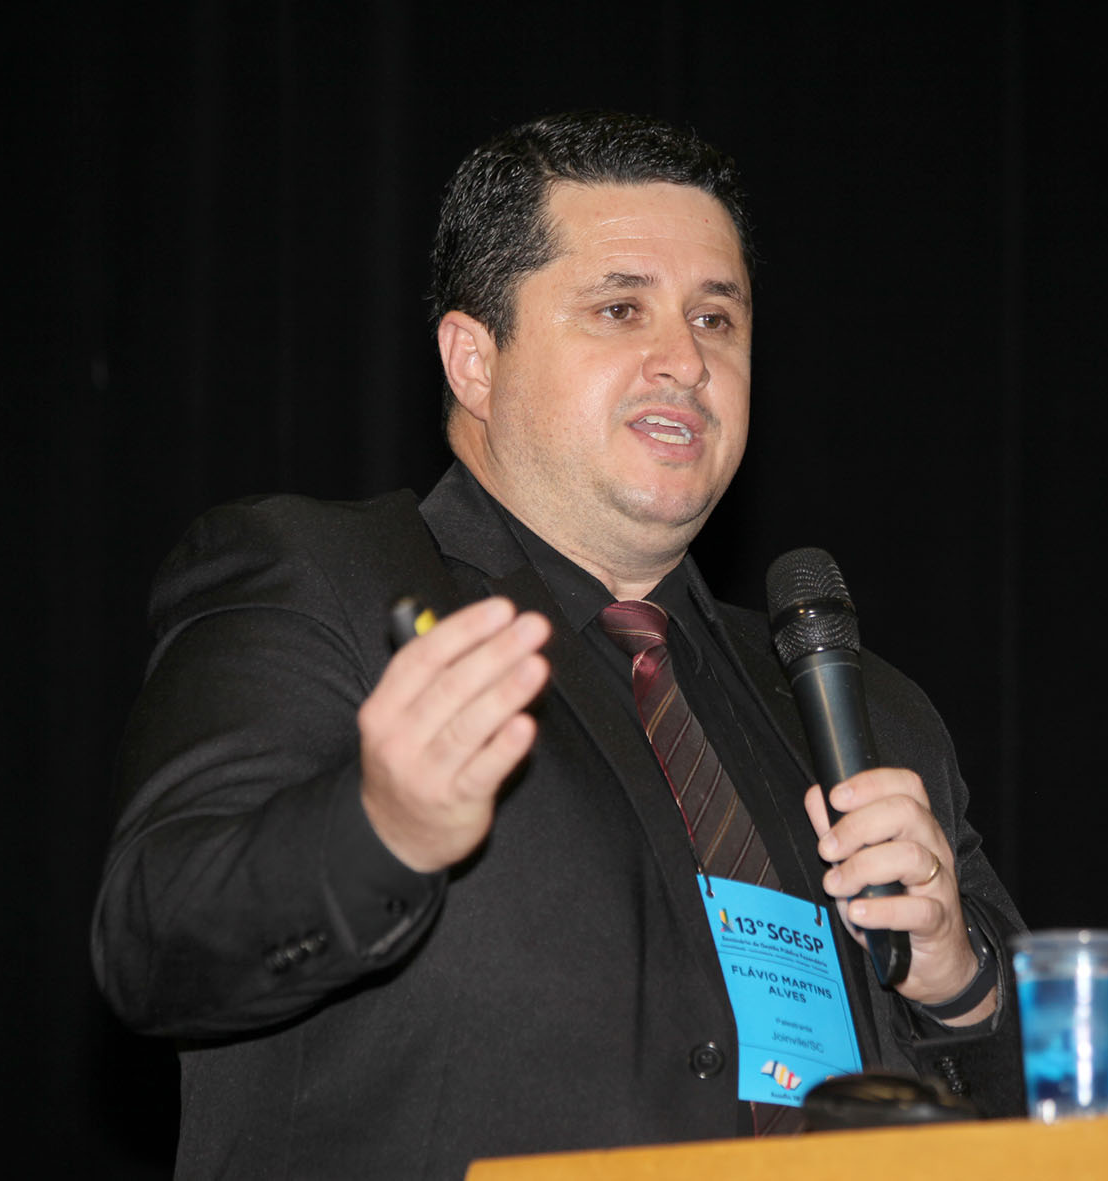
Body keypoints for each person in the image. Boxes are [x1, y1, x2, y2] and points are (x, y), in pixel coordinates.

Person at [92, 110, 1025, 1180]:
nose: (685, 359)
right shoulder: (326, 583)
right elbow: (155, 944)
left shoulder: (870, 713)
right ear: (473, 360)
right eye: (621, 309)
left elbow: (1065, 1101)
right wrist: (381, 828)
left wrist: (959, 980)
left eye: (716, 318)